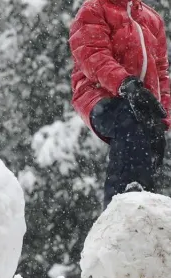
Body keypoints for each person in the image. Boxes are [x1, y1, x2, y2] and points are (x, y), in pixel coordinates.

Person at [69, 0, 171, 209]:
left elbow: (161, 73)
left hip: (141, 102)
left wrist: (163, 119)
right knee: (129, 122)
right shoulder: (94, 9)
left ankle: (144, 206)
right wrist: (125, 84)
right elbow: (92, 55)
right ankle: (122, 203)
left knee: (151, 141)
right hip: (99, 94)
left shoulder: (152, 19)